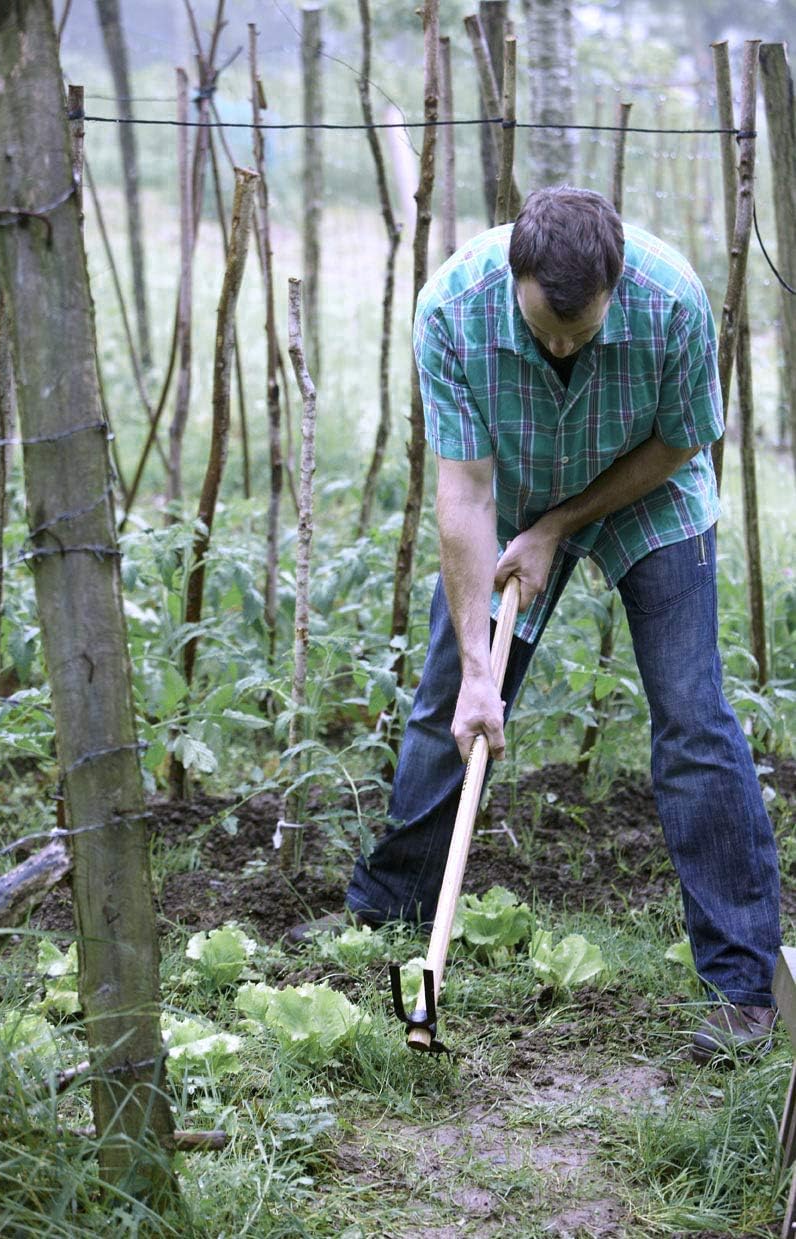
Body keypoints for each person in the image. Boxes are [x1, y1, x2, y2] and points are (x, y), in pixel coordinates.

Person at [290, 186, 781, 1063]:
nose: (559, 347)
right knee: (454, 702)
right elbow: (465, 492)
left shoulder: (671, 304)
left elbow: (680, 442)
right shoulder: (453, 308)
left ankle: (745, 984)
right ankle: (388, 909)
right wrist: (483, 665)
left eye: (579, 335)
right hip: (507, 504)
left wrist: (564, 525)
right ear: (512, 276)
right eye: (543, 332)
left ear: (616, 287)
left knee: (692, 715)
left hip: (647, 495)